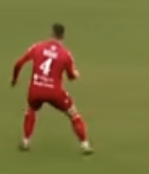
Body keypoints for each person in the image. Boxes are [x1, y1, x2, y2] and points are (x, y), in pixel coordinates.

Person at [11, 23, 93, 154]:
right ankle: (85, 145)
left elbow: (18, 64)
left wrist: (15, 79)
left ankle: (25, 141)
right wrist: (76, 74)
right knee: (73, 114)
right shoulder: (65, 54)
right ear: (63, 36)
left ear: (51, 33)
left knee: (31, 109)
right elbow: (71, 77)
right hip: (55, 92)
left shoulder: (37, 47)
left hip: (36, 89)